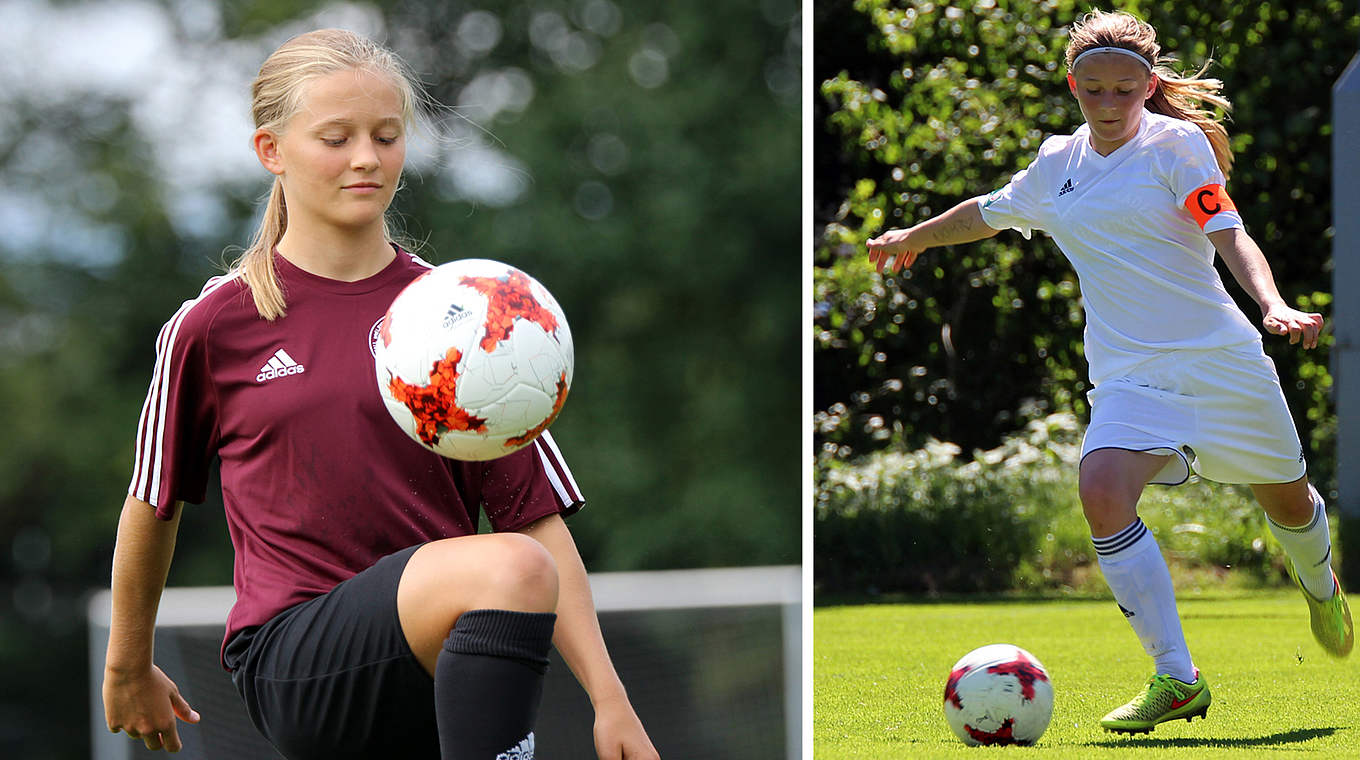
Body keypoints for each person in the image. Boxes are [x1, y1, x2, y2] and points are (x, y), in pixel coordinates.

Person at [101, 28, 660, 760]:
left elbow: (535, 518)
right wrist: (126, 664)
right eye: (336, 137)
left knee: (523, 566)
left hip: (438, 667)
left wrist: (611, 702)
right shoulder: (215, 325)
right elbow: (153, 501)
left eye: (386, 136)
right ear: (271, 151)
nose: (366, 157)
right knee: (515, 571)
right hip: (295, 661)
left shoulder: (464, 316)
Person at [866, 9, 1351, 735]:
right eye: (1093, 90)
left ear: (1149, 85)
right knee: (1100, 487)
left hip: (1220, 363)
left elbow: (1230, 233)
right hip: (1129, 377)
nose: (1110, 104)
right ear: (1073, 86)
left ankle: (1320, 583)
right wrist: (915, 237)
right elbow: (988, 212)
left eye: (1125, 90)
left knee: (1287, 503)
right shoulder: (1057, 164)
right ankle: (1176, 678)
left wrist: (1274, 304)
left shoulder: (1177, 145)